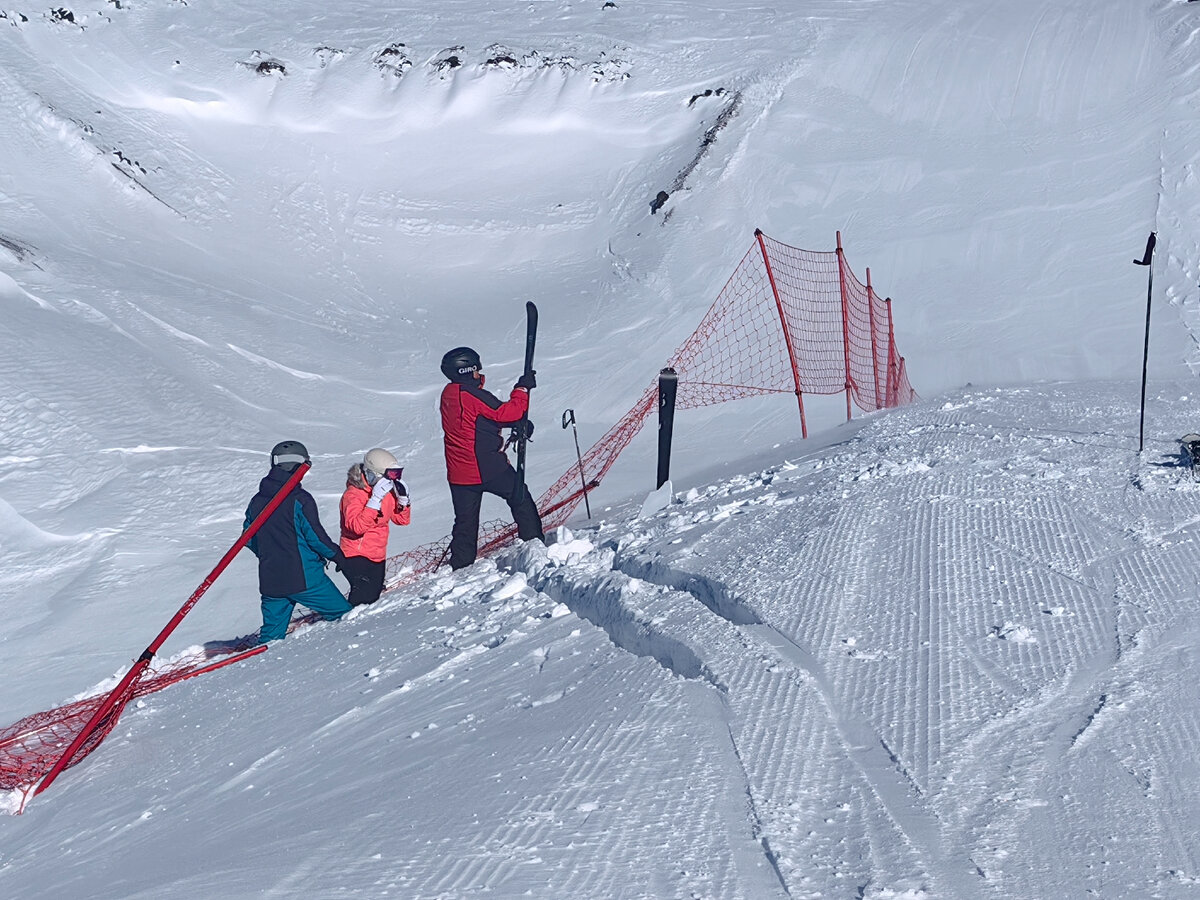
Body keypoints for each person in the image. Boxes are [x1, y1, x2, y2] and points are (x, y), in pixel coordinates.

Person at [440, 346, 543, 569]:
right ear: (467, 370)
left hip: (459, 473)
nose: (479, 374)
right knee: (520, 498)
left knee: (465, 522)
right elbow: (506, 412)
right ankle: (535, 543)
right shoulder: (470, 394)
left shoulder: (449, 394)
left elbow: (479, 420)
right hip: (485, 467)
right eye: (476, 370)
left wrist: (515, 424)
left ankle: (461, 565)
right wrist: (522, 389)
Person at [244, 440, 351, 642]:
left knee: (271, 637)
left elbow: (248, 538)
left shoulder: (256, 501)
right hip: (305, 578)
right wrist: (338, 556)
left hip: (270, 579)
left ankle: (263, 670)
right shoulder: (300, 499)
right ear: (302, 465)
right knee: (345, 616)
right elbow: (316, 538)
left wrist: (270, 553)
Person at [339, 448, 411, 606]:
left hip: (377, 553)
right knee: (363, 596)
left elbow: (401, 520)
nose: (389, 481)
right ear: (371, 474)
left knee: (373, 596)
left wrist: (404, 502)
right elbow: (356, 527)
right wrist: (374, 501)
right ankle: (347, 626)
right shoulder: (353, 495)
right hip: (355, 554)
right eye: (387, 477)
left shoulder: (387, 491)